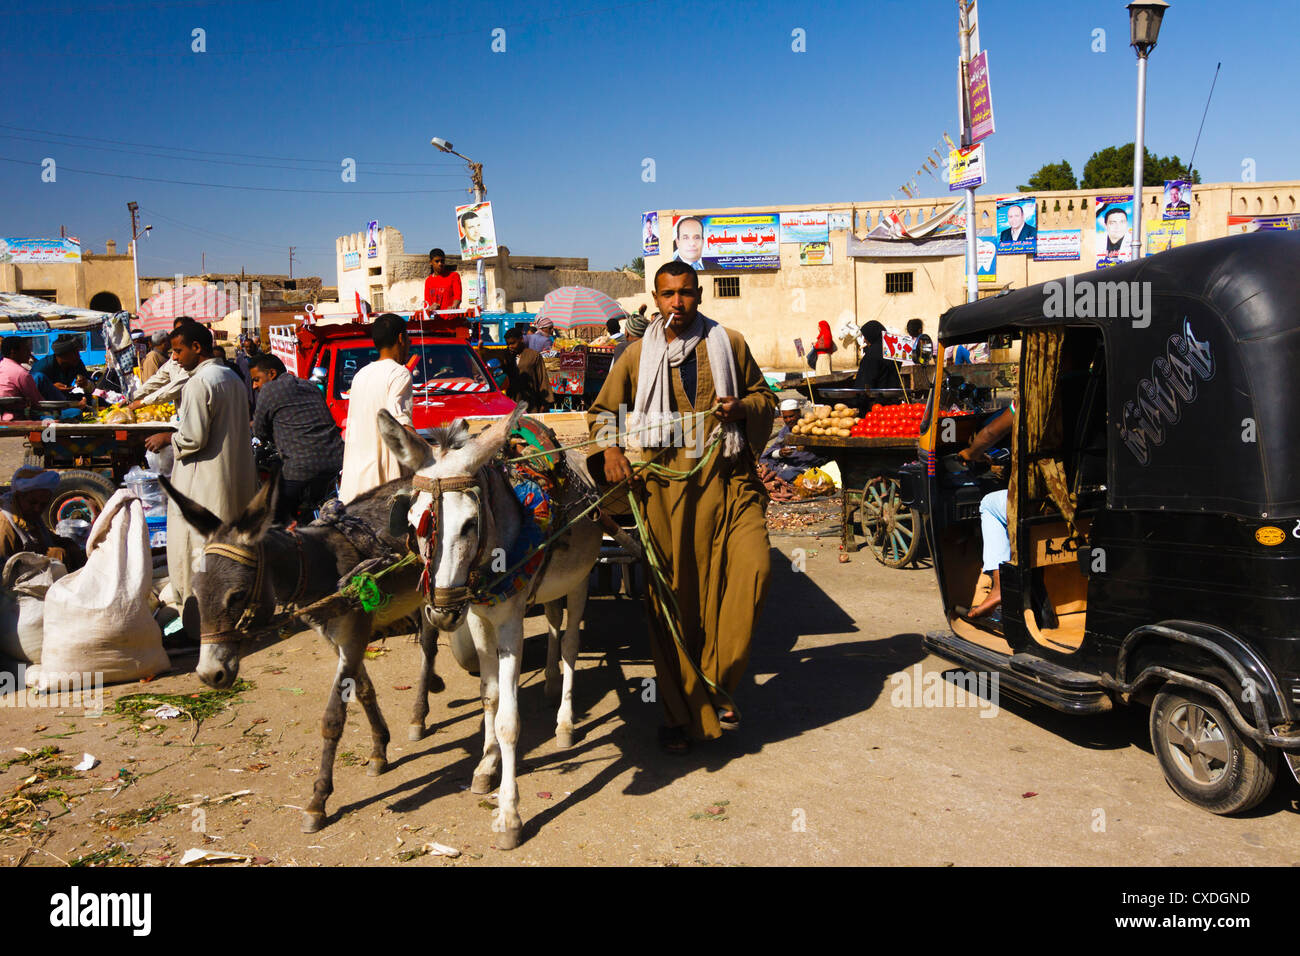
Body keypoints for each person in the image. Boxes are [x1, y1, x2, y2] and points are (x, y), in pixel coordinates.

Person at [588, 259, 775, 752]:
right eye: (668, 294)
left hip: (732, 482)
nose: (678, 303)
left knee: (753, 573)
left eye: (687, 293)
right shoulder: (634, 356)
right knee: (673, 604)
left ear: (699, 294)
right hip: (664, 493)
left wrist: (744, 408)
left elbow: (764, 398)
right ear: (655, 298)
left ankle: (711, 687)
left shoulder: (729, 343)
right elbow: (603, 413)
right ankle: (678, 712)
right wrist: (610, 449)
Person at [144, 320, 256, 636]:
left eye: (178, 351)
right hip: (232, 478)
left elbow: (192, 438)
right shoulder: (231, 378)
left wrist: (168, 438)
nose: (174, 358)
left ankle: (198, 625)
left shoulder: (198, 384)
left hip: (203, 482)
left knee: (198, 551)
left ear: (197, 348)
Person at [249, 353, 343, 523]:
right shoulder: (310, 386)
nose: (255, 386)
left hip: (300, 467)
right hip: (335, 461)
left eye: (257, 379)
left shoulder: (270, 390)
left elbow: (259, 430)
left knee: (274, 517)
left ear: (271, 374)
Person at [338, 312, 415, 504]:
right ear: (400, 338)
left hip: (355, 484)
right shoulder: (399, 373)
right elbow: (401, 426)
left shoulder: (360, 375)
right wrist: (433, 454)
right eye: (407, 337)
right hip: (384, 486)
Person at [0, 467, 85, 571]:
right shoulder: (5, 525)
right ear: (19, 496)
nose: (37, 508)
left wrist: (68, 544)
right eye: (32, 502)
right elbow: (5, 571)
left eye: (43, 504)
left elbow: (45, 538)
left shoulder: (31, 516)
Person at [758, 398, 828, 484]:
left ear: (798, 413)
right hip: (786, 461)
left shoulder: (809, 426)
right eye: (785, 417)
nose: (788, 420)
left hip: (804, 464)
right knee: (763, 461)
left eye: (791, 416)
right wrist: (780, 453)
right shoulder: (785, 430)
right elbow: (774, 448)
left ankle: (778, 476)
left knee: (787, 474)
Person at [131, 318, 194, 409]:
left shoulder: (194, 362)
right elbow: (158, 379)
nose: (175, 357)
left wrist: (143, 402)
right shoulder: (155, 356)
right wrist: (134, 397)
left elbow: (174, 388)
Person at [503, 327, 554, 410]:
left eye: (513, 343)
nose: (510, 347)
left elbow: (542, 379)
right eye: (508, 344)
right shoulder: (506, 356)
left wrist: (545, 402)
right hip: (512, 403)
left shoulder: (533, 356)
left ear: (521, 339)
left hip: (531, 404)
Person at [30, 336, 91, 402]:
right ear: (63, 355)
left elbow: (92, 386)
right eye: (75, 353)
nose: (79, 356)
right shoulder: (42, 367)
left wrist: (86, 383)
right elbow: (30, 392)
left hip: (65, 398)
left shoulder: (77, 363)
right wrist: (51, 388)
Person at [0, 337, 45, 415]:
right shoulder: (21, 373)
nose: (29, 353)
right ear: (13, 352)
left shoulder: (2, 365)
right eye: (26, 350)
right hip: (16, 416)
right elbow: (37, 402)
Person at [854, 320, 898, 390]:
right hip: (893, 397)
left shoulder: (871, 354)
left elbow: (864, 382)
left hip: (876, 398)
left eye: (865, 337)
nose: (864, 340)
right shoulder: (893, 351)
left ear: (871, 335)